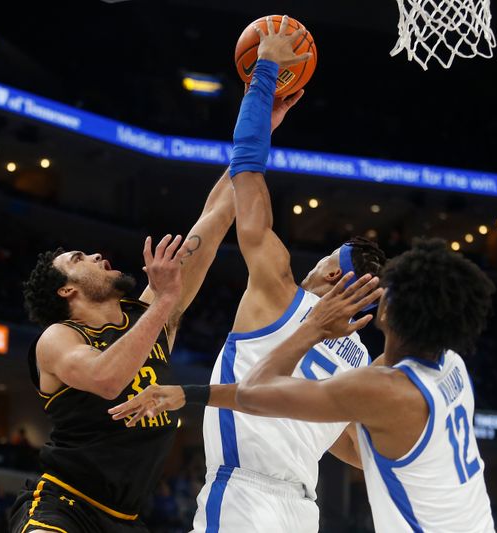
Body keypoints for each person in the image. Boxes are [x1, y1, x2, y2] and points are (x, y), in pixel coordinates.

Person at [108, 16, 386, 533]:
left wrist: (264, 76)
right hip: (305, 510)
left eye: (322, 260)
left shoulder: (281, 289)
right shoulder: (360, 357)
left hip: (244, 495)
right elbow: (351, 444)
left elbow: (247, 173)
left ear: (328, 275)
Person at [9, 158, 240, 532]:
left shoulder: (146, 316)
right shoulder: (59, 337)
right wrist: (164, 302)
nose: (98, 255)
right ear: (66, 289)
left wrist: (258, 121)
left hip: (127, 520)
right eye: (79, 259)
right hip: (64, 506)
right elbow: (107, 380)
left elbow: (216, 216)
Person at [236, 239, 497, 532]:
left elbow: (251, 391)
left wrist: (312, 328)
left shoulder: (387, 391)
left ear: (385, 312)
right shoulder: (452, 365)